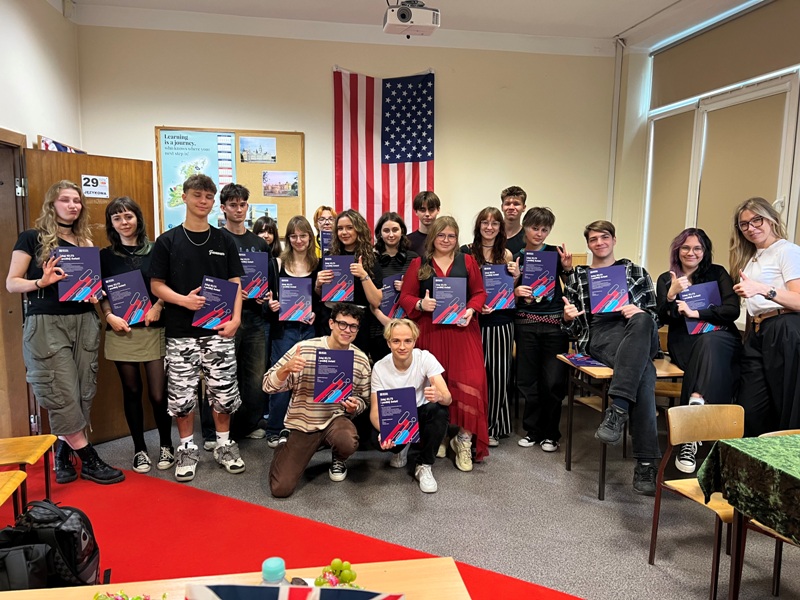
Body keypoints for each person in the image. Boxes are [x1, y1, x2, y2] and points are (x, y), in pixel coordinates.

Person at [6, 180, 124, 484]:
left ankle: (61, 455)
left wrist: (95, 294)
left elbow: (91, 285)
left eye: (77, 200)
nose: (73, 205)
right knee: (61, 393)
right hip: (47, 323)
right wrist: (41, 282)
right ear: (52, 204)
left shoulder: (85, 242)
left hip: (84, 321)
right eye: (65, 200)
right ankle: (89, 459)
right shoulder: (32, 238)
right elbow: (12, 283)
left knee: (82, 392)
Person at [149, 174, 245, 482]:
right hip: (181, 333)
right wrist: (183, 301)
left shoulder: (224, 240)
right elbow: (156, 285)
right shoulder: (168, 241)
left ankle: (224, 444)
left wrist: (236, 318)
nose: (203, 201)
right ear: (185, 198)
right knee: (182, 397)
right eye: (197, 195)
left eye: (208, 197)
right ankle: (187, 448)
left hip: (219, 331)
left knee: (224, 393)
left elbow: (235, 282)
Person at [562, 220, 660, 495]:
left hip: (638, 328)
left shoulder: (636, 271)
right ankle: (646, 463)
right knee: (644, 372)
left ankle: (617, 409)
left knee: (643, 320)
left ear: (614, 240)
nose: (600, 243)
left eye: (604, 237)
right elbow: (571, 329)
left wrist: (639, 312)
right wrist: (567, 318)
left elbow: (654, 315)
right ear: (588, 244)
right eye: (593, 239)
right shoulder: (579, 276)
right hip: (602, 333)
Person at [399, 215, 490, 471]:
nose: (446, 240)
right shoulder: (419, 263)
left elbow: (479, 293)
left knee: (472, 381)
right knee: (434, 385)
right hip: (431, 332)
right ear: (433, 237)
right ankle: (437, 434)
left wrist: (471, 309)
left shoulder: (467, 261)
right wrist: (420, 304)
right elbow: (405, 296)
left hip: (463, 331)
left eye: (451, 236)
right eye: (441, 235)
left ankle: (463, 439)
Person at [656, 228, 741, 473]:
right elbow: (662, 318)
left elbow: (732, 310)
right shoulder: (666, 278)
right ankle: (696, 416)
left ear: (705, 251)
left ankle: (689, 434)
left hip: (721, 337)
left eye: (697, 248)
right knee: (704, 350)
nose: (691, 253)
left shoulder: (717, 273)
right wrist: (671, 295)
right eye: (685, 247)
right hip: (685, 341)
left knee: (710, 343)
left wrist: (697, 313)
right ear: (677, 250)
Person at [264, 303, 371, 498]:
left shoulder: (361, 359)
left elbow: (364, 399)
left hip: (335, 421)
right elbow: (267, 386)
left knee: (347, 440)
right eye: (342, 324)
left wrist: (355, 406)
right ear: (331, 323)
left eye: (353, 326)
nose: (347, 330)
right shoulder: (304, 349)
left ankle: (339, 457)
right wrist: (285, 369)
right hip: (303, 423)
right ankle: (285, 444)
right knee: (281, 489)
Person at [99, 197, 174, 474]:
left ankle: (166, 444)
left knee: (158, 394)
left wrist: (158, 305)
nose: (124, 222)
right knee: (131, 391)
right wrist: (109, 315)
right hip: (123, 331)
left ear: (138, 219)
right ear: (111, 224)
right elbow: (101, 294)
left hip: (154, 329)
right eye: (117, 218)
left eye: (128, 216)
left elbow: (168, 284)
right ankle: (139, 449)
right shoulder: (105, 256)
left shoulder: (157, 249)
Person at [730, 197, 800, 436]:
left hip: (785, 329)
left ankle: (786, 458)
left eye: (757, 220)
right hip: (758, 333)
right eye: (744, 224)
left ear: (771, 219)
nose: (751, 227)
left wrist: (762, 289)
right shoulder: (752, 257)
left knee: (786, 406)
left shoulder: (787, 251)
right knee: (750, 409)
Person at [211, 183, 272, 443]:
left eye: (242, 204)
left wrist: (266, 294)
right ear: (223, 208)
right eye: (233, 205)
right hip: (225, 317)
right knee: (221, 374)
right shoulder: (215, 239)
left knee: (255, 375)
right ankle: (213, 430)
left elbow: (269, 279)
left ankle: (248, 424)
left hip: (255, 317)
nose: (238, 209)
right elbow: (210, 279)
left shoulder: (258, 243)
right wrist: (233, 292)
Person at [370, 319, 451, 493]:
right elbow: (375, 411)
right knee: (375, 438)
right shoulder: (379, 367)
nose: (402, 346)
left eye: (407, 341)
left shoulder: (425, 358)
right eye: (396, 341)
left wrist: (439, 396)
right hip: (397, 418)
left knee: (438, 410)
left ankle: (424, 465)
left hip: (421, 414)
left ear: (414, 342)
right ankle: (401, 447)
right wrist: (386, 431)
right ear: (388, 343)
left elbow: (448, 398)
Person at [513, 207, 571, 452]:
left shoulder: (556, 254)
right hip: (525, 325)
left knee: (553, 381)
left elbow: (573, 287)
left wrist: (567, 269)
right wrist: (515, 287)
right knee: (528, 380)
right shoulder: (515, 256)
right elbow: (505, 293)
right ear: (525, 228)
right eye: (534, 228)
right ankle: (532, 431)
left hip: (554, 326)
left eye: (544, 229)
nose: (539, 233)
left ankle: (551, 434)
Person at [462, 207, 519, 447]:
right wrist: (475, 305)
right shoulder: (465, 252)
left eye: (494, 223)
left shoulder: (506, 254)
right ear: (478, 226)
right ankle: (471, 428)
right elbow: (460, 287)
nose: (489, 227)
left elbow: (508, 291)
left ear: (500, 228)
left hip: (500, 322)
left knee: (497, 376)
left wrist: (516, 277)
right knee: (473, 376)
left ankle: (493, 427)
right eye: (485, 222)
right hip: (472, 322)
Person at [263, 215, 319, 448]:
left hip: (309, 328)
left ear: (310, 237)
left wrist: (316, 312)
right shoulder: (276, 264)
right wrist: (270, 305)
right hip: (284, 329)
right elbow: (265, 297)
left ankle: (301, 428)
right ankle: (275, 428)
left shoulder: (319, 265)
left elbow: (322, 299)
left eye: (303, 235)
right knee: (281, 376)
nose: (298, 240)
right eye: (293, 236)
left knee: (308, 378)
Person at [316, 209, 383, 354]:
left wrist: (363, 275)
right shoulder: (329, 256)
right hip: (331, 319)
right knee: (329, 363)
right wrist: (318, 284)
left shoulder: (371, 258)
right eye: (340, 228)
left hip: (358, 323)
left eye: (349, 227)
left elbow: (376, 301)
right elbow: (321, 295)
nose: (344, 232)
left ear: (359, 229)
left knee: (354, 364)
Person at [370, 212, 419, 362]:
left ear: (402, 231)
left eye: (395, 230)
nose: (391, 234)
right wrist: (385, 321)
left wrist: (407, 287)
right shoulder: (371, 259)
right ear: (380, 233)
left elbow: (421, 292)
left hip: (406, 327)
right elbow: (369, 295)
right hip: (379, 327)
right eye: (386, 230)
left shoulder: (414, 258)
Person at [407, 191, 440, 257]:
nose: (427, 214)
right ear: (416, 212)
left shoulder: (444, 239)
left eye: (431, 209)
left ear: (438, 210)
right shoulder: (407, 241)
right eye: (422, 210)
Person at [501, 186, 527, 255]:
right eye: (507, 204)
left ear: (524, 208)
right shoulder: (491, 233)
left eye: (516, 204)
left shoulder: (528, 237)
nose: (511, 207)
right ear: (502, 207)